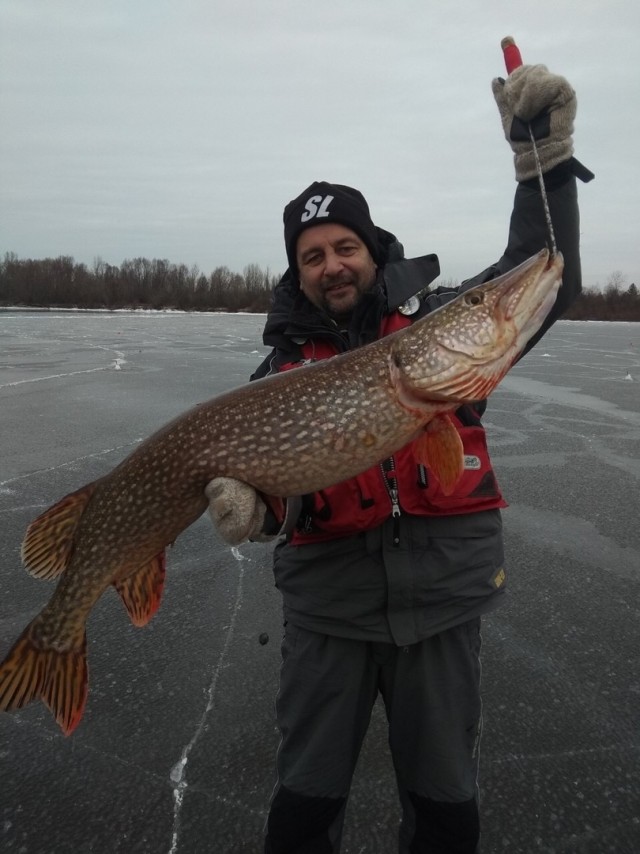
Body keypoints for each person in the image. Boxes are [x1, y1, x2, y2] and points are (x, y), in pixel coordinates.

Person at [206, 63, 593, 853]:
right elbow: (277, 495)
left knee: (445, 809)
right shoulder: (278, 377)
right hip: (329, 620)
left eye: (344, 245)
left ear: (372, 249)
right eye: (311, 256)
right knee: (305, 811)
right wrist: (253, 505)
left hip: (442, 609)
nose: (331, 264)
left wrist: (542, 166)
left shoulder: (446, 338)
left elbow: (545, 270)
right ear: (299, 272)